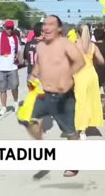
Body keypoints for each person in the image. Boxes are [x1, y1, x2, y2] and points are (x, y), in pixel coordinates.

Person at [27, 15, 85, 177]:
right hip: (45, 93)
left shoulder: (66, 44)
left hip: (63, 95)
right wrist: (33, 76)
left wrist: (67, 77)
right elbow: (40, 63)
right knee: (31, 122)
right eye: (45, 24)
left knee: (70, 131)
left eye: (51, 24)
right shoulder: (40, 46)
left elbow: (80, 62)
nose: (46, 27)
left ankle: (73, 164)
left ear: (59, 28)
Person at [74, 24, 105, 139]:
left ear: (78, 33)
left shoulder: (75, 45)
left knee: (80, 101)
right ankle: (85, 127)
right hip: (91, 74)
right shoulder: (93, 46)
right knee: (91, 101)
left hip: (80, 75)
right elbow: (102, 61)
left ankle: (80, 128)